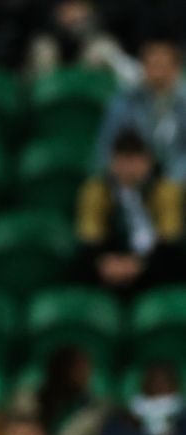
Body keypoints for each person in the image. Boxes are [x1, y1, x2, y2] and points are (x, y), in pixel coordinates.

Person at [78, 128, 184, 294]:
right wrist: (107, 262)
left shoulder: (166, 190)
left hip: (152, 264)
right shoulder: (97, 190)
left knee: (172, 262)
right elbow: (90, 235)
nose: (128, 169)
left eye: (134, 161)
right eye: (122, 161)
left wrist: (139, 264)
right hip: (110, 262)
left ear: (147, 161)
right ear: (112, 161)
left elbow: (169, 237)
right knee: (82, 266)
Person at [95, 35, 186, 181]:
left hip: (176, 177)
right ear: (143, 67)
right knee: (94, 192)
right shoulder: (125, 101)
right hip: (129, 174)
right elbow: (106, 145)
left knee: (167, 195)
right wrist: (120, 168)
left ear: (176, 69)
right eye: (153, 65)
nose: (158, 73)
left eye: (163, 66)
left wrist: (172, 177)